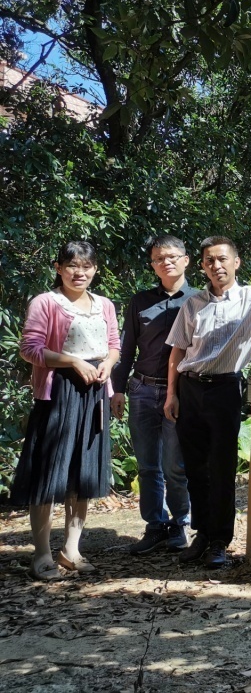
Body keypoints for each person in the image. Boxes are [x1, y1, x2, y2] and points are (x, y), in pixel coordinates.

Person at [163, 228, 251, 569]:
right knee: (194, 468)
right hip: (189, 388)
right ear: (202, 266)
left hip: (225, 389)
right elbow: (178, 352)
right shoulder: (193, 304)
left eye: (223, 259)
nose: (216, 266)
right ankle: (201, 533)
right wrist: (172, 394)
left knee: (222, 467)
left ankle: (220, 541)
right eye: (210, 261)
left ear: (237, 262)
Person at [12, 241, 120, 580]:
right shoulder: (46, 302)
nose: (80, 272)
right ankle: (41, 554)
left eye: (87, 266)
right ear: (59, 268)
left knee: (83, 474)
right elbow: (30, 348)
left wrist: (108, 365)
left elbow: (115, 345)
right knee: (49, 474)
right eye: (72, 266)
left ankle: (71, 548)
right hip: (57, 393)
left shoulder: (104, 304)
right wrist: (73, 361)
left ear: (96, 269)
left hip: (95, 394)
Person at [111, 235, 198, 555]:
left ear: (187, 260)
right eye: (159, 259)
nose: (166, 262)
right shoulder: (140, 301)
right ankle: (155, 525)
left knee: (175, 464)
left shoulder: (199, 300)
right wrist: (117, 389)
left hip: (181, 393)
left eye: (172, 256)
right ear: (153, 265)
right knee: (148, 465)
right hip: (142, 390)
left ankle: (180, 523)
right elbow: (127, 347)